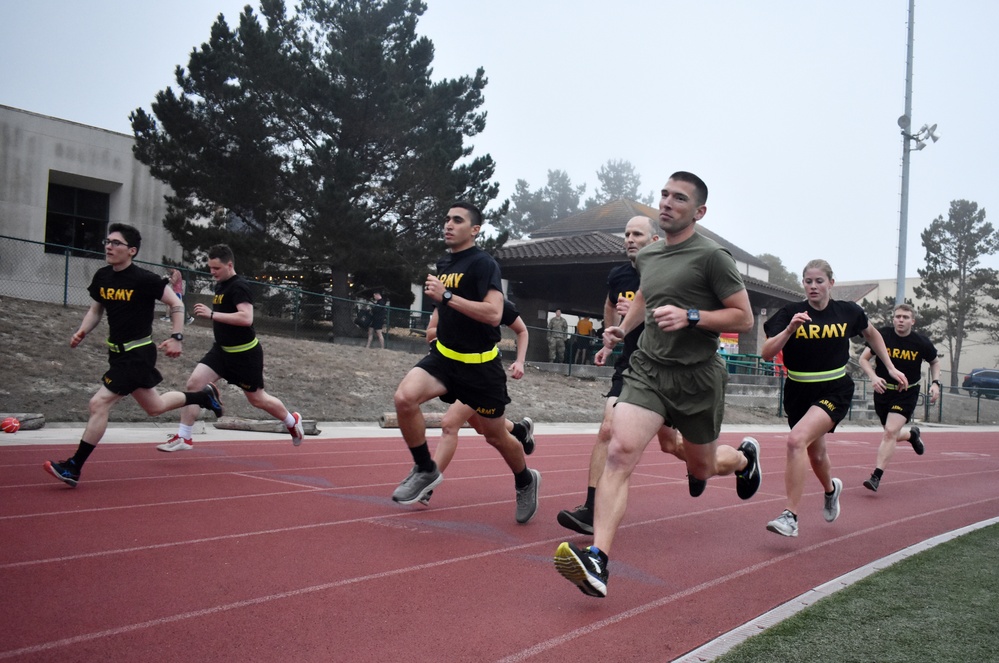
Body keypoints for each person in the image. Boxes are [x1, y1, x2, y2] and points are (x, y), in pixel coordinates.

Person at [554, 172, 756, 597]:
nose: (666, 203)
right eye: (664, 194)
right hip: (648, 368)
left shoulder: (713, 257)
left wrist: (692, 316)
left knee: (699, 467)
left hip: (698, 376)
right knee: (619, 451)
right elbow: (646, 296)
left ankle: (741, 461)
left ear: (698, 211)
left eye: (678, 198)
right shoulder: (649, 257)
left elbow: (744, 316)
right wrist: (621, 330)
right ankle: (598, 561)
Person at [390, 201, 541, 523]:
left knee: (496, 436)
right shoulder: (444, 262)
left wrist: (446, 296)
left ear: (474, 229)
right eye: (446, 219)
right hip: (444, 358)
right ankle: (425, 468)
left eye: (457, 220)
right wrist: (438, 317)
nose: (448, 224)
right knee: (404, 398)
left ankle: (526, 479)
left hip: (480, 367)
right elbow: (441, 312)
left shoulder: (484, 264)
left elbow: (494, 314)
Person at [43, 224, 224, 487]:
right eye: (107, 241)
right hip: (116, 354)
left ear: (132, 250)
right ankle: (204, 396)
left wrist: (177, 336)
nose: (108, 246)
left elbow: (175, 303)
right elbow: (96, 310)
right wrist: (82, 330)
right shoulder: (103, 277)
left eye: (116, 243)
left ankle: (74, 467)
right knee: (155, 407)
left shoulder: (145, 279)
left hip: (137, 353)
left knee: (99, 403)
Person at [761, 259, 907, 537]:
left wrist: (889, 367)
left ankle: (790, 516)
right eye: (808, 281)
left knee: (796, 441)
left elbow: (872, 334)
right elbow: (766, 353)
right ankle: (831, 489)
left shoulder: (848, 311)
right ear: (803, 284)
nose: (813, 286)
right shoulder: (790, 313)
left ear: (831, 282)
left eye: (819, 281)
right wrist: (789, 329)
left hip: (834, 389)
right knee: (816, 454)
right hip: (798, 391)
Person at [156, 244, 305, 452]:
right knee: (194, 384)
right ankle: (184, 437)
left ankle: (292, 420)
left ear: (229, 265)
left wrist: (211, 315)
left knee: (257, 400)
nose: (212, 272)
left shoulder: (239, 286)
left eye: (216, 268)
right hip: (221, 351)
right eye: (210, 268)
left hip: (245, 355)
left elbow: (246, 318)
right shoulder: (220, 285)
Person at [420, 299, 535, 505]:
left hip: (480, 375)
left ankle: (427, 484)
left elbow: (522, 330)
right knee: (484, 428)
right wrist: (450, 336)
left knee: (450, 424)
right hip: (452, 371)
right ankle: (519, 429)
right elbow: (430, 333)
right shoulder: (446, 298)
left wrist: (520, 361)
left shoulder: (496, 303)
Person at [858, 303, 941, 492]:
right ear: (893, 319)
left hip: (907, 392)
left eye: (905, 317)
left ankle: (875, 477)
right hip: (883, 391)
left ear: (913, 320)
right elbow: (863, 359)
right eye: (897, 317)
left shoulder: (921, 342)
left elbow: (935, 362)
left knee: (889, 432)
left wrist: (935, 383)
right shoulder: (883, 336)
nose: (900, 320)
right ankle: (912, 435)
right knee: (891, 433)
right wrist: (873, 377)